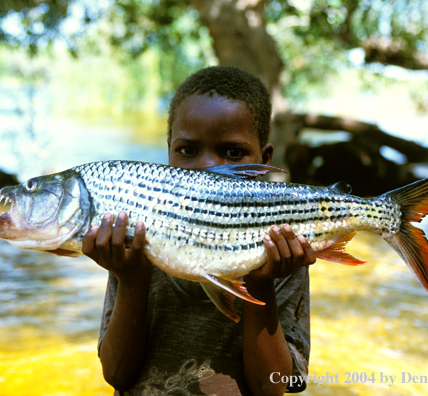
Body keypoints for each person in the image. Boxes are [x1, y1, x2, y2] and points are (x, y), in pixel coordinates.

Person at [83, 66, 316, 396]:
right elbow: (117, 374)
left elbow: (275, 386)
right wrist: (131, 279)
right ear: (168, 151)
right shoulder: (136, 241)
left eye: (233, 153)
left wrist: (260, 282)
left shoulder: (282, 246)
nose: (207, 167)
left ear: (264, 160)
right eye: (188, 150)